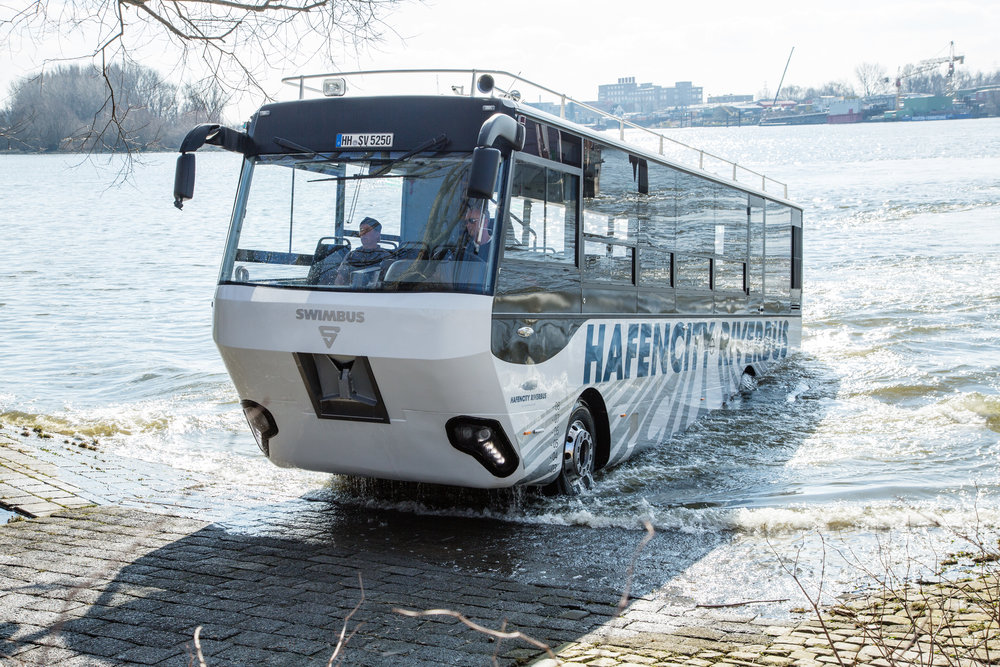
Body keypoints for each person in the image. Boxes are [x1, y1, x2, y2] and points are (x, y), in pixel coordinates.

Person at [335, 217, 390, 286]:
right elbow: (339, 280)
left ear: (377, 234)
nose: (363, 233)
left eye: (367, 230)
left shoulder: (386, 257)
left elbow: (388, 284)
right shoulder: (351, 255)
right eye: (361, 230)